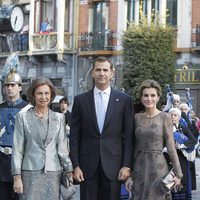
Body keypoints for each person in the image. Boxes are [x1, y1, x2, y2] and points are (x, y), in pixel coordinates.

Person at [69, 56, 134, 200]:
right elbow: (74, 137)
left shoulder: (124, 100)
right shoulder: (80, 100)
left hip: (114, 167)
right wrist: (76, 166)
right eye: (98, 70)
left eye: (105, 70)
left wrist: (126, 166)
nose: (101, 73)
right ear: (92, 73)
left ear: (112, 73)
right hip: (86, 167)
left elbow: (129, 138)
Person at [11, 77, 73, 200]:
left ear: (51, 96)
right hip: (29, 173)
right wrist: (17, 177)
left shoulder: (59, 118)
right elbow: (17, 149)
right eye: (39, 93)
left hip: (53, 173)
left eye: (46, 93)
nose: (43, 97)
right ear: (33, 95)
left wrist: (69, 169)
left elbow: (62, 149)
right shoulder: (22, 117)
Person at [126, 79, 182, 200]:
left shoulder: (165, 117)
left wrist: (178, 174)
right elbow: (133, 147)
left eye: (153, 95)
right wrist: (130, 174)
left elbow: (171, 147)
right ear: (141, 98)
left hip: (159, 168)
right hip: (139, 169)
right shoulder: (137, 118)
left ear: (158, 98)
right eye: (145, 95)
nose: (149, 98)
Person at [0, 69, 28, 200]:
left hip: (22, 162)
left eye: (13, 85)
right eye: (7, 85)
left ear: (20, 87)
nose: (9, 88)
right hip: (1, 161)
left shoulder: (29, 109)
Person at [169, 108, 196, 200]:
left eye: (175, 115)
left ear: (179, 117)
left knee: (181, 181)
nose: (173, 117)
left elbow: (193, 141)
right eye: (171, 115)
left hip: (181, 158)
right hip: (167, 158)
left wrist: (183, 145)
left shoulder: (183, 128)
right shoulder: (165, 127)